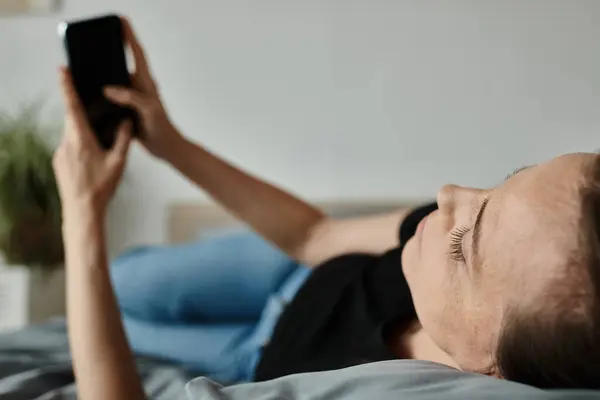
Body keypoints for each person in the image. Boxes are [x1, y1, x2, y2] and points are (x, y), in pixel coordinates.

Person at [53, 16, 600, 400]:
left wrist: (81, 213)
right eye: (500, 185)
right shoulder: (443, 244)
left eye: (463, 245)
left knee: (95, 317)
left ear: (495, 369)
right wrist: (169, 141)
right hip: (293, 275)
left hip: (251, 360)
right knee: (121, 280)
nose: (450, 194)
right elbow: (312, 236)